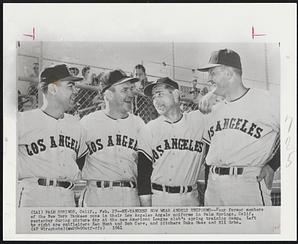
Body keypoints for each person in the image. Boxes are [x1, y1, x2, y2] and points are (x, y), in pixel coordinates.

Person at [197, 48, 280, 206]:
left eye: (213, 73)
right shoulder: (216, 109)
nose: (209, 79)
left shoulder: (264, 100)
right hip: (214, 186)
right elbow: (209, 151)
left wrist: (272, 165)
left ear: (228, 74)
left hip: (247, 183)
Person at [17, 64, 88, 207]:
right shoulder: (22, 120)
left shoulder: (76, 125)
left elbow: (81, 163)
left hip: (67, 197)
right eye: (70, 86)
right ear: (52, 89)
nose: (75, 91)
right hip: (34, 195)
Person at [137, 77, 207, 207]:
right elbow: (143, 175)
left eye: (160, 94)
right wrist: (146, 211)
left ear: (175, 95)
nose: (156, 101)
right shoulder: (149, 129)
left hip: (190, 198)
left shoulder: (199, 121)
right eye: (153, 97)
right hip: (159, 198)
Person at [79, 69, 144, 207]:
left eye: (131, 89)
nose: (131, 94)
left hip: (130, 195)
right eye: (124, 90)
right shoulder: (88, 122)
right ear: (108, 95)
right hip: (98, 195)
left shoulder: (139, 123)